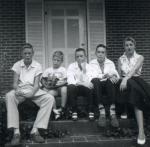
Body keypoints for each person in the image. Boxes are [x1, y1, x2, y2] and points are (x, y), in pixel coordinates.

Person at [5, 43, 54, 145]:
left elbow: (36, 84)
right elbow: (14, 83)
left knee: (49, 98)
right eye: (25, 53)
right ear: (22, 54)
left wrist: (32, 93)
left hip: (33, 90)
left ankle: (35, 130)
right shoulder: (17, 65)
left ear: (33, 54)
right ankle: (16, 132)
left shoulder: (37, 65)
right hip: (21, 90)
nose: (27, 55)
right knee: (9, 96)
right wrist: (17, 89)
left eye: (29, 53)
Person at [117, 36, 150, 145]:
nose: (129, 47)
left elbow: (134, 70)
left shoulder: (140, 57)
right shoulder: (120, 59)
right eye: (126, 45)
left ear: (134, 46)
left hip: (136, 80)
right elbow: (118, 75)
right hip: (124, 83)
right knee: (128, 87)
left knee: (137, 93)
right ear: (124, 47)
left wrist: (126, 79)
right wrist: (122, 79)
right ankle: (140, 130)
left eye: (131, 45)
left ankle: (141, 131)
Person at [90, 44, 119, 128]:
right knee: (96, 80)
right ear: (95, 53)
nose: (100, 54)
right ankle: (102, 111)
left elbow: (115, 74)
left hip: (107, 86)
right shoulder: (91, 63)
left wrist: (112, 76)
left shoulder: (110, 63)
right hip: (97, 85)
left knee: (111, 81)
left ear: (105, 53)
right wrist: (104, 76)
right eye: (98, 52)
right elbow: (91, 76)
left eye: (102, 52)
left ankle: (112, 112)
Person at [67, 48, 96, 121]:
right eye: (77, 56)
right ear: (75, 58)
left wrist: (84, 70)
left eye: (81, 56)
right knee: (71, 87)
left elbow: (90, 81)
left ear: (85, 57)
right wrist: (82, 83)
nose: (79, 58)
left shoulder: (89, 67)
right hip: (76, 88)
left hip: (85, 88)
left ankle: (90, 111)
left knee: (90, 87)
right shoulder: (71, 66)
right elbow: (71, 80)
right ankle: (74, 111)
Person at [41, 51, 67, 120]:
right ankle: (55, 111)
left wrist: (59, 84)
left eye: (58, 60)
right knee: (49, 94)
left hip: (60, 88)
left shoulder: (63, 70)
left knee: (64, 89)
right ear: (52, 60)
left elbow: (65, 80)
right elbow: (43, 79)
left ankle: (62, 108)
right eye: (54, 60)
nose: (56, 62)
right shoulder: (48, 70)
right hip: (52, 89)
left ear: (61, 61)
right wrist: (46, 86)